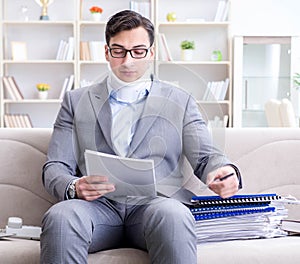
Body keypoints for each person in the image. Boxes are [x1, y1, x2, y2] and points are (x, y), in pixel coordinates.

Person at [40, 10, 241, 264]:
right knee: (60, 217)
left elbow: (205, 156)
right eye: (119, 51)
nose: (128, 61)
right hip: (96, 209)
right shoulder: (76, 101)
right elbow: (56, 166)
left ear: (151, 52)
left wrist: (223, 170)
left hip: (154, 206)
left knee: (174, 215)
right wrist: (74, 186)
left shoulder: (179, 101)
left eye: (138, 51)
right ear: (106, 52)